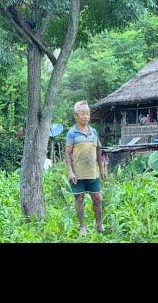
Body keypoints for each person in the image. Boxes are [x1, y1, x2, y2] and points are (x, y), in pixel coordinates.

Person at [65, 100, 108, 236]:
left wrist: (102, 169)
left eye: (88, 113)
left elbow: (98, 151)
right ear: (76, 116)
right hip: (77, 174)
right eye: (83, 114)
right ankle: (82, 226)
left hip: (92, 173)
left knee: (98, 198)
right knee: (79, 199)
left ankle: (99, 224)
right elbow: (67, 153)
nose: (86, 116)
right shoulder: (72, 133)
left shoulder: (93, 132)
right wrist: (70, 172)